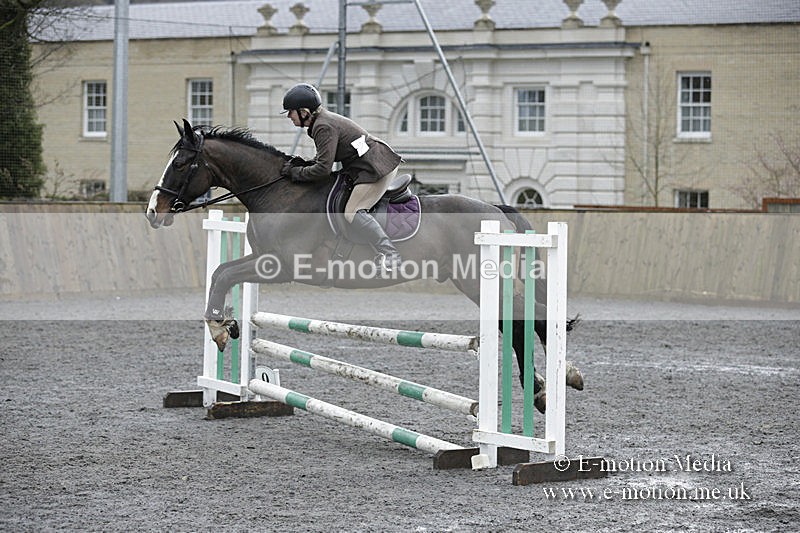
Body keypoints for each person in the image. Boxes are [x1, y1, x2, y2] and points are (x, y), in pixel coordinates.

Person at [280, 83, 403, 270]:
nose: (289, 116)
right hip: (362, 165)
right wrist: (304, 165)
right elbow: (322, 160)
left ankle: (390, 254)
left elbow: (322, 170)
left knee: (352, 211)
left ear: (304, 112)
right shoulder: (320, 122)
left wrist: (295, 173)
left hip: (375, 167)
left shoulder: (323, 126)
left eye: (291, 112)